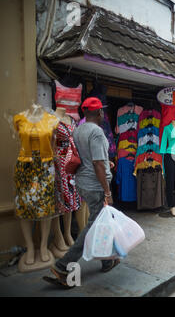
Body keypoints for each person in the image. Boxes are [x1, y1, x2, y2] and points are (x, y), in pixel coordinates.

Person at [44, 97, 119, 288]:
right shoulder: (97, 133)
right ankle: (63, 266)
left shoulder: (79, 130)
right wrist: (107, 191)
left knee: (103, 223)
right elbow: (96, 163)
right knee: (93, 226)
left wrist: (105, 164)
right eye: (102, 111)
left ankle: (107, 259)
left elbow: (87, 158)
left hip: (82, 182)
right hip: (95, 185)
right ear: (100, 112)